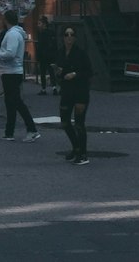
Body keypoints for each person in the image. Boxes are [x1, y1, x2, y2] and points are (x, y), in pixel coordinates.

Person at [0, 10, 40, 142]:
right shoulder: (15, 33)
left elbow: (10, 53)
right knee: (10, 102)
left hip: (11, 72)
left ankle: (32, 129)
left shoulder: (13, 34)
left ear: (6, 20)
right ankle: (9, 132)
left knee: (16, 101)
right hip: (11, 71)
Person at [56, 25, 92, 165]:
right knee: (65, 122)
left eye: (71, 34)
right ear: (63, 37)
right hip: (66, 91)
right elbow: (60, 70)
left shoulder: (81, 53)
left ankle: (83, 154)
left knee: (79, 123)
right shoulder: (60, 53)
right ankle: (76, 147)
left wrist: (75, 74)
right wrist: (59, 72)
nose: (69, 37)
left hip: (80, 91)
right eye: (66, 34)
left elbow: (89, 71)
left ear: (75, 37)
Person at [36, 16, 58, 95]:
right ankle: (54, 88)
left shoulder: (42, 34)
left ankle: (43, 89)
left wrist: (38, 57)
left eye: (39, 23)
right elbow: (55, 45)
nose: (38, 25)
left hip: (43, 57)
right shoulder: (52, 33)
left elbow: (40, 46)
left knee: (43, 73)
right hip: (51, 56)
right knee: (51, 72)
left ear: (44, 24)